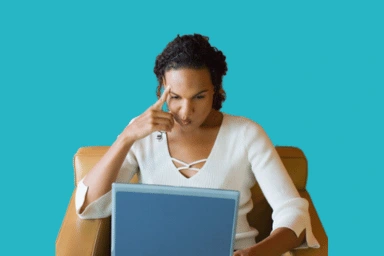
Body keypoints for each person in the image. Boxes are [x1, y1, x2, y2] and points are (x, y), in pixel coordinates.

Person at [75, 33, 320, 256]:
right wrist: (127, 137)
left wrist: (254, 253)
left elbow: (293, 211)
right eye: (175, 97)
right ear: (162, 90)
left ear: (217, 89)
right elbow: (89, 207)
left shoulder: (246, 134)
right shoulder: (142, 133)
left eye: (199, 97)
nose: (186, 111)